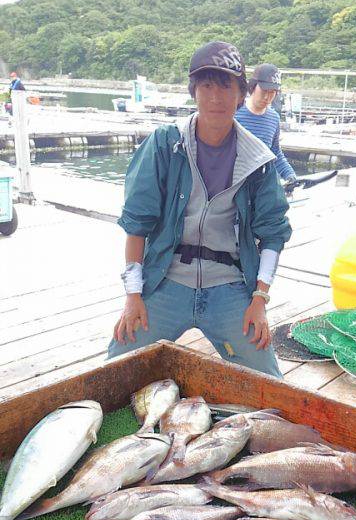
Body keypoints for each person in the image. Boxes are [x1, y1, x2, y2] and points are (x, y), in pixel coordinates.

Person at [108, 41, 292, 377]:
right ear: (194, 91)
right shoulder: (165, 144)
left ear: (241, 93)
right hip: (166, 279)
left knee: (270, 382)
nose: (216, 97)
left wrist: (259, 299)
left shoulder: (260, 160)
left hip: (230, 286)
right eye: (206, 85)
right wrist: (134, 295)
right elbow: (137, 222)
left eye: (226, 86)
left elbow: (273, 233)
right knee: (113, 370)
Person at [235, 63, 297, 193]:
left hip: (260, 188)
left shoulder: (274, 118)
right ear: (252, 87)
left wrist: (290, 175)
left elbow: (275, 153)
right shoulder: (234, 113)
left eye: (272, 92)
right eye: (263, 91)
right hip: (234, 186)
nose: (267, 97)